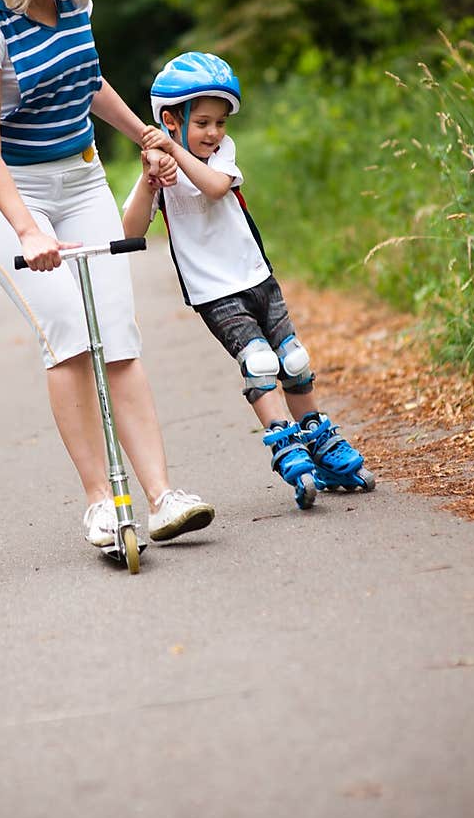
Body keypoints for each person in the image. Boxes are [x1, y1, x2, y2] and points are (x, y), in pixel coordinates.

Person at [0, 0, 215, 553]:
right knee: (68, 332)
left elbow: (86, 80)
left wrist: (145, 137)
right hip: (9, 191)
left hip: (81, 176)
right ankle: (101, 503)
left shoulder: (71, 0)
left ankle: (162, 497)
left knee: (116, 332)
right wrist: (29, 229)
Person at [123, 50, 376, 510]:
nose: (214, 132)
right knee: (260, 363)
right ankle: (287, 446)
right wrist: (148, 180)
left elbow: (216, 187)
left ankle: (322, 442)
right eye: (202, 122)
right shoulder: (163, 170)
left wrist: (172, 150)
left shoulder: (221, 155)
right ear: (170, 119)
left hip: (257, 276)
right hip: (214, 293)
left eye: (220, 122)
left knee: (294, 361)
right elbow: (129, 231)